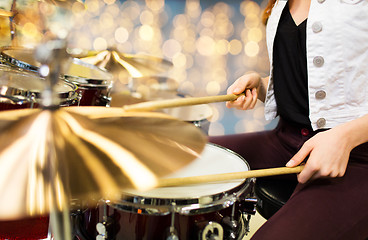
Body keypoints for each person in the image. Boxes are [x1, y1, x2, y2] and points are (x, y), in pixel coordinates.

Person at [209, 0, 368, 239]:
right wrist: (264, 85)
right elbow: (317, 80)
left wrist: (345, 137)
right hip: (286, 140)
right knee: (176, 161)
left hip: (358, 157)